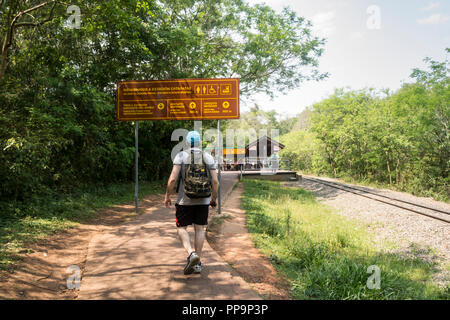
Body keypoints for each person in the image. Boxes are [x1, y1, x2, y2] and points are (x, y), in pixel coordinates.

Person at [164, 131, 219, 275]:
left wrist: (167, 195)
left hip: (184, 200)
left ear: (187, 143)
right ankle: (197, 263)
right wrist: (213, 198)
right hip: (203, 200)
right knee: (199, 230)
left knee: (181, 228)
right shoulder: (208, 157)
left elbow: (172, 180)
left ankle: (191, 253)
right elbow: (215, 181)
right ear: (200, 143)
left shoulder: (181, 156)